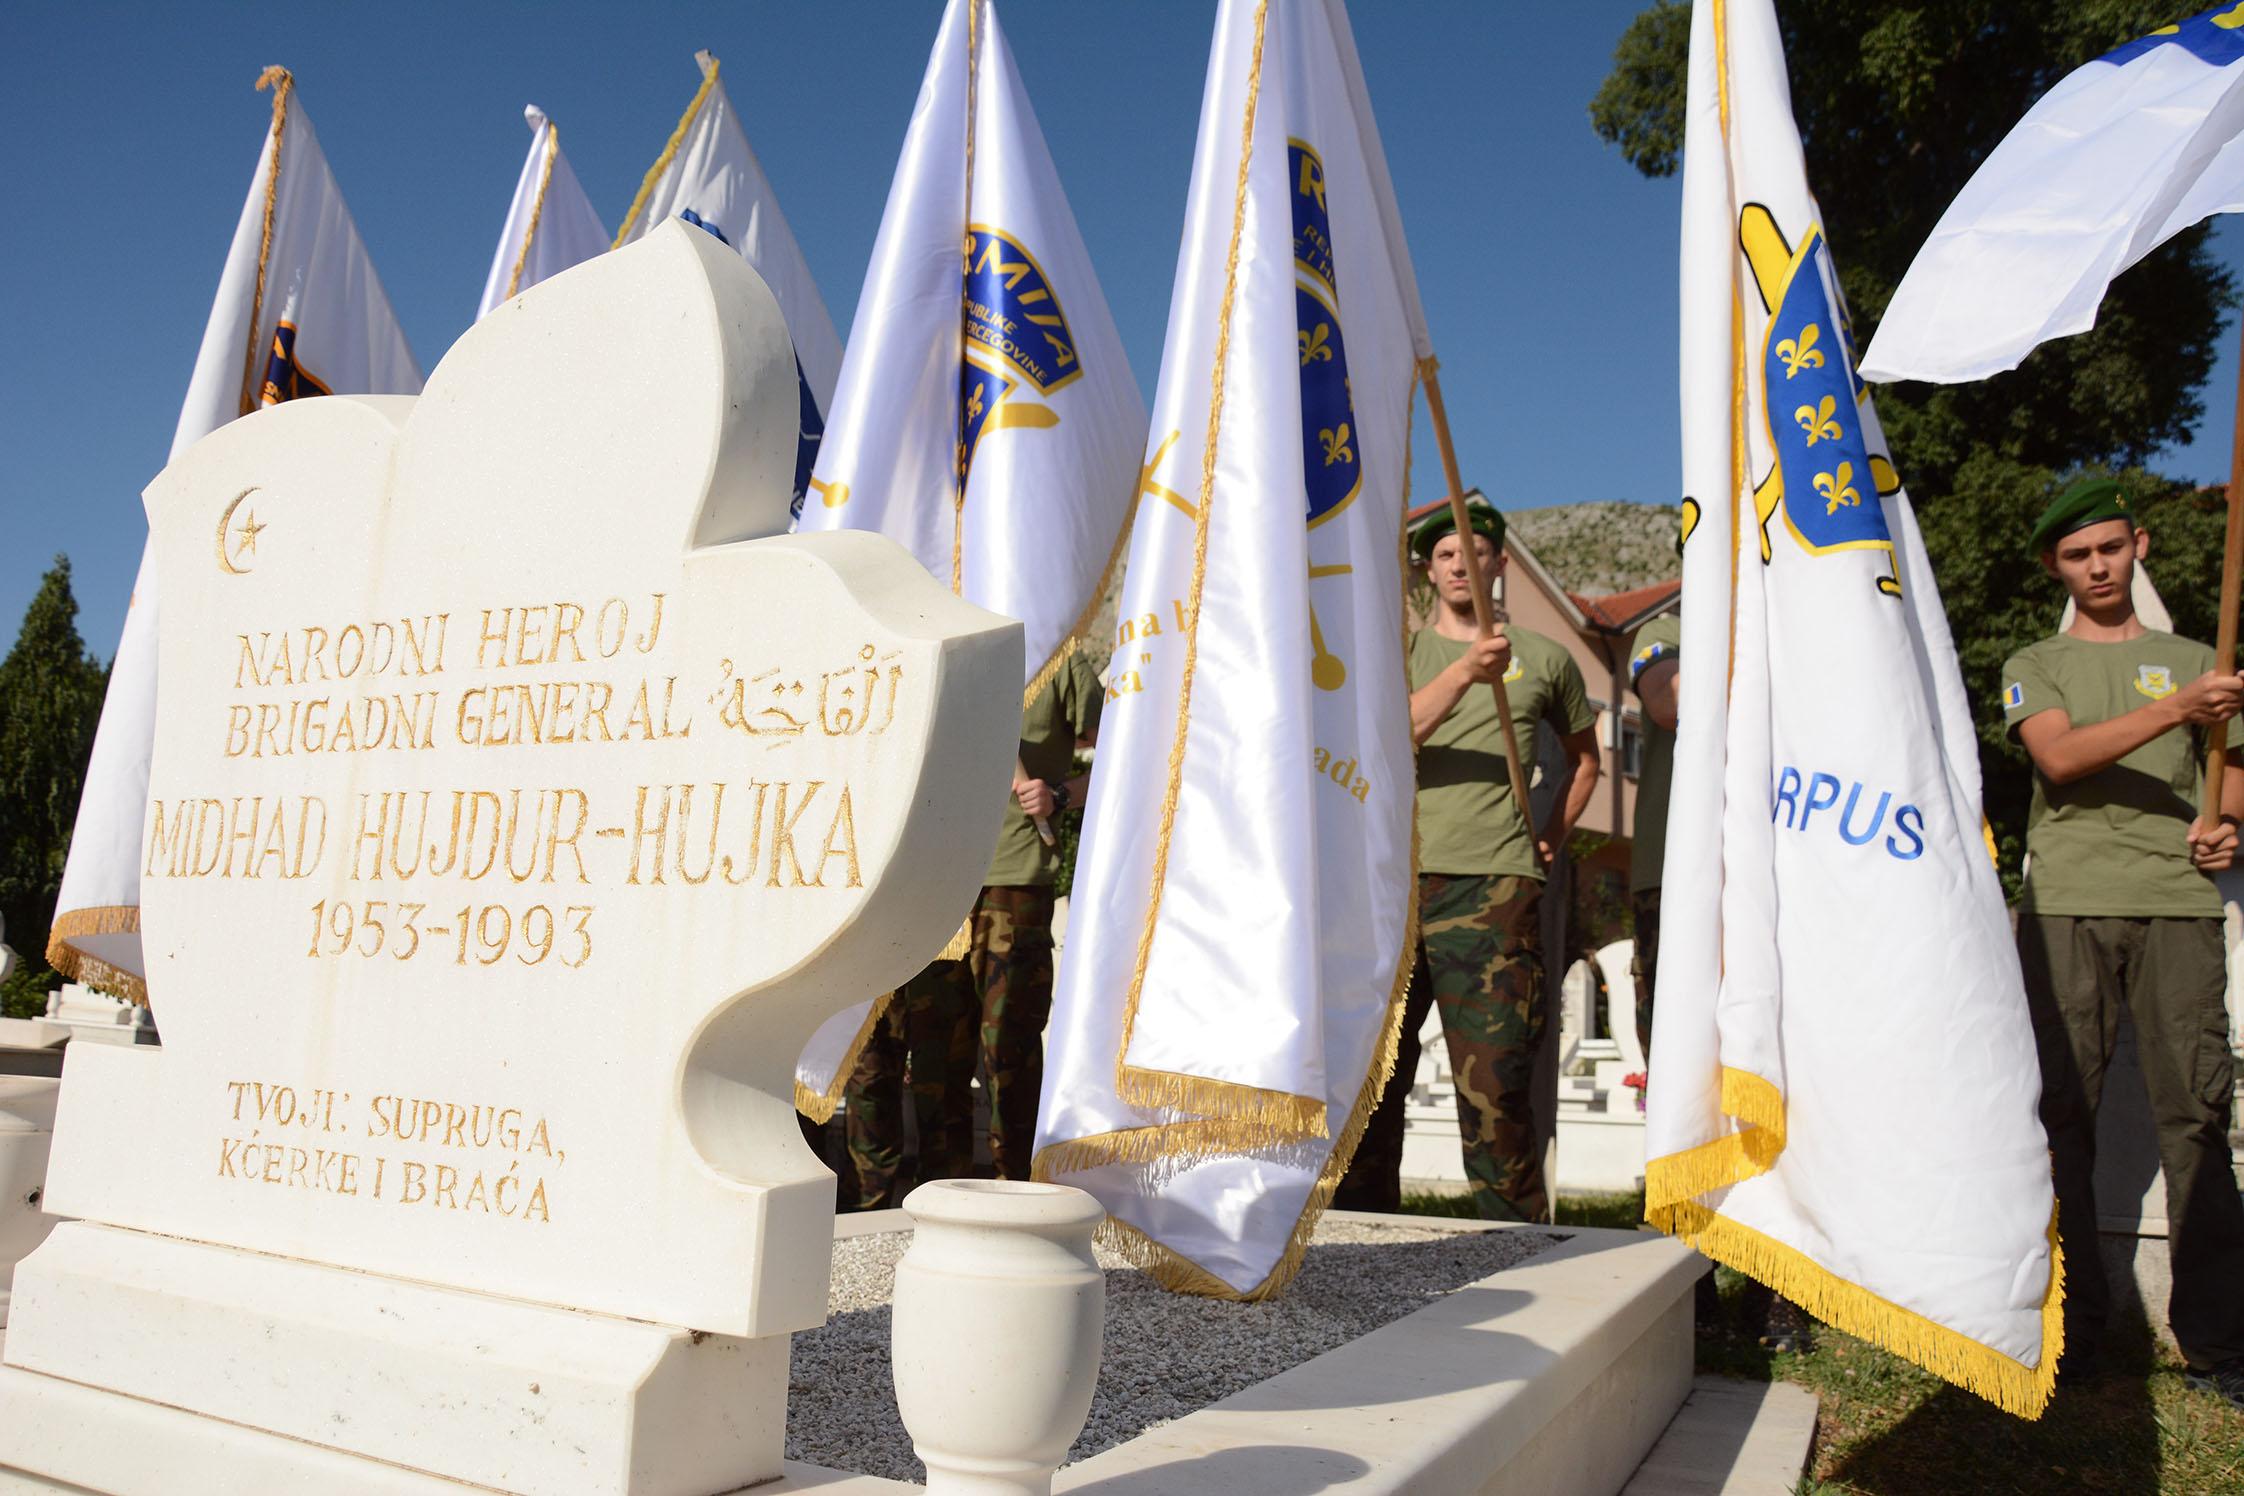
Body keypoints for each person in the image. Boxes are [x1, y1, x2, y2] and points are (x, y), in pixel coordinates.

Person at [2003, 476, 2244, 1407]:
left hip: (2178, 901)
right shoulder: (2039, 658)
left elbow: (2228, 788)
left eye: (2110, 547)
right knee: (2065, 1116)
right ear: (2056, 568)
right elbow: (2059, 758)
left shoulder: (2202, 658)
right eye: (2077, 555)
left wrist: (2229, 831)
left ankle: (2218, 1344)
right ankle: (2073, 1331)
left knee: (2199, 1118)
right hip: (2068, 902)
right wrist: (2181, 710)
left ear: (2138, 545)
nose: (2098, 566)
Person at [1335, 497, 1600, 1220]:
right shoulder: (1404, 652)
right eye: (1445, 556)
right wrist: (1466, 672)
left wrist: (1552, 832)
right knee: (1372, 1075)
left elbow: (1586, 761)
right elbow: (1389, 733)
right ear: (1429, 571)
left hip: (1495, 886)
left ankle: (1509, 1244)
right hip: (1392, 885)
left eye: (1473, 553)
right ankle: (1361, 1235)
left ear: (1498, 564)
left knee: (1496, 1078)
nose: (1460, 565)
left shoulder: (1546, 659)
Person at [845, 650, 1100, 1206]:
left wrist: (1060, 794)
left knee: (1008, 1047)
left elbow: (1125, 754)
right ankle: (945, 1200)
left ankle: (1020, 1197)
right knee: (938, 1057)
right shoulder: (952, 649)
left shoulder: (1063, 657)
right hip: (936, 882)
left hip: (1013, 883)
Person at [1627, 606, 1680, 1058]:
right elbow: (1669, 701)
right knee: (1673, 1035)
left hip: (1778, 860)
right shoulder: (1668, 631)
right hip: (1672, 871)